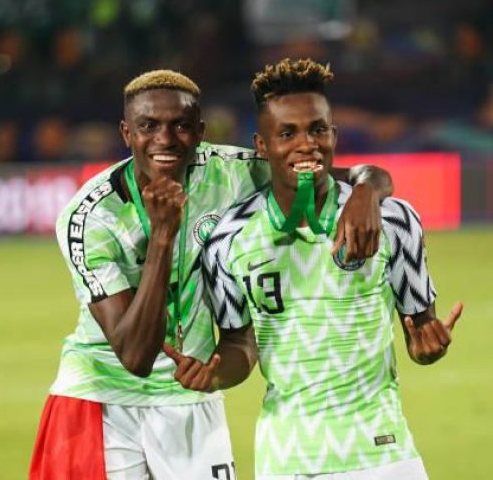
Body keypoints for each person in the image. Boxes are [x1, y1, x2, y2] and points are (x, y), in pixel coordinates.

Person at [29, 68, 393, 480]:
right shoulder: (90, 217)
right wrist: (164, 235)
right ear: (126, 133)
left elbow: (341, 174)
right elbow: (135, 356)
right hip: (100, 402)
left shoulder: (233, 173)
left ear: (200, 131)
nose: (165, 140)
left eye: (181, 126)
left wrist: (367, 191)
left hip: (192, 396)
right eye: (148, 126)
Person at [166, 58, 463, 480]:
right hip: (288, 459)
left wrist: (428, 348)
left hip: (384, 453)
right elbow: (239, 345)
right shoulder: (228, 240)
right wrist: (215, 373)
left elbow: (421, 332)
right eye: (287, 133)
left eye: (317, 130)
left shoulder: (395, 220)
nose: (306, 144)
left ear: (334, 135)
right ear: (262, 146)